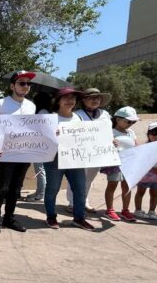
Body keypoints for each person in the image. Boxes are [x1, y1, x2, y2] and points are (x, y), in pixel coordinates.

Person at [0, 70, 36, 234]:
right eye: (22, 83)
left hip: (24, 153)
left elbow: (34, 128)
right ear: (12, 85)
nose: (25, 86)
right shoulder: (1, 103)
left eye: (28, 83)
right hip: (6, 152)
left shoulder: (31, 105)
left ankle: (9, 218)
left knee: (16, 188)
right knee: (2, 188)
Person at [43, 87, 95, 231]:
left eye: (73, 98)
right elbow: (41, 140)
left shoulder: (78, 117)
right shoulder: (50, 118)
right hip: (54, 159)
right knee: (53, 188)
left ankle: (79, 218)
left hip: (75, 159)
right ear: (58, 101)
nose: (70, 101)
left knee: (80, 189)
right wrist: (52, 135)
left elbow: (86, 138)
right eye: (66, 97)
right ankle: (51, 217)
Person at [66, 87, 112, 213]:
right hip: (81, 152)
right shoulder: (77, 115)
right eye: (91, 98)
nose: (95, 100)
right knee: (76, 179)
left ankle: (84, 202)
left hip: (98, 153)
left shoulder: (105, 114)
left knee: (89, 179)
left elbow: (108, 132)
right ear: (84, 100)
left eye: (97, 98)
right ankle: (72, 203)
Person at [102, 106, 139, 222]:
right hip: (115, 163)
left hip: (129, 163)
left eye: (133, 122)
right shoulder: (110, 132)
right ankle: (110, 210)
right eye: (128, 121)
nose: (131, 123)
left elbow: (136, 145)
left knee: (127, 187)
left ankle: (125, 210)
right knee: (112, 185)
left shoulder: (131, 132)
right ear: (118, 119)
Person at [24, 91, 53, 202]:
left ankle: (40, 194)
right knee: (41, 170)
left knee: (40, 170)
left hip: (40, 145)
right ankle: (39, 192)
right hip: (43, 145)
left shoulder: (42, 112)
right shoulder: (47, 111)